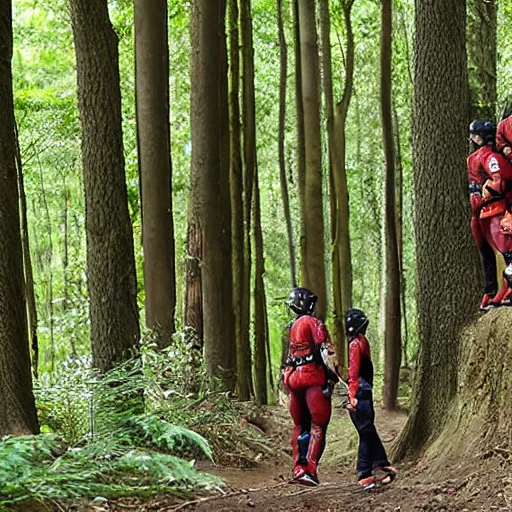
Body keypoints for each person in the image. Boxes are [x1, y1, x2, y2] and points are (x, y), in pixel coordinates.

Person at [283, 287, 339, 486]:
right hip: (312, 377)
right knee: (318, 425)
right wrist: (335, 377)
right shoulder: (313, 323)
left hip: (293, 378)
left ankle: (298, 468)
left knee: (300, 425)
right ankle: (310, 470)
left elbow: (288, 358)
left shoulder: (291, 327)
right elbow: (326, 352)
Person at [345, 308, 397, 490]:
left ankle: (371, 469)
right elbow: (353, 374)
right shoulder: (355, 344)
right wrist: (352, 397)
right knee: (367, 432)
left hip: (363, 391)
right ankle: (371, 470)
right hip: (359, 393)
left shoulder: (358, 342)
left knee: (367, 432)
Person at [468, 119, 512, 308]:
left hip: (496, 208)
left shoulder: (490, 157)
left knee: (506, 249)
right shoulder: (476, 158)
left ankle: (507, 287)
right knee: (488, 252)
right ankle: (491, 289)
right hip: (481, 212)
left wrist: (489, 189)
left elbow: (498, 179)